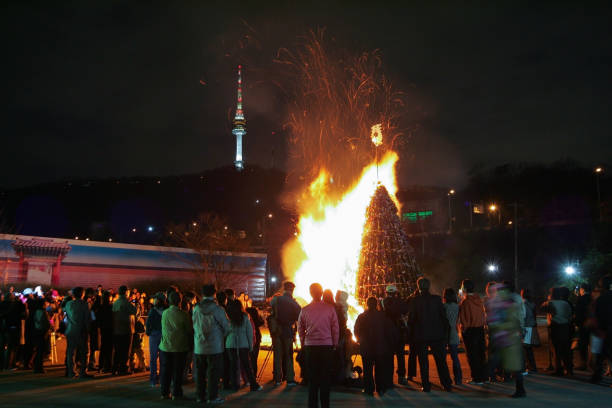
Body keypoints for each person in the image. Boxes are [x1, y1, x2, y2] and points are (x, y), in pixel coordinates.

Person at [407, 277, 453, 392]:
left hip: (421, 335)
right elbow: (443, 317)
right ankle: (446, 384)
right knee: (441, 361)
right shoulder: (437, 299)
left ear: (418, 287)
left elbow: (411, 319)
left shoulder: (415, 301)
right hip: (437, 335)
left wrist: (411, 334)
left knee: (423, 362)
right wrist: (445, 334)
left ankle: (426, 385)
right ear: (429, 286)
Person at [298, 283, 339, 408]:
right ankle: (325, 405)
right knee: (325, 378)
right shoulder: (330, 308)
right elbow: (335, 328)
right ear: (321, 293)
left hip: (311, 347)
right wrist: (335, 343)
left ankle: (313, 405)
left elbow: (300, 329)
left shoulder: (305, 310)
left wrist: (303, 342)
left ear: (310, 293)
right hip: (326, 346)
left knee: (313, 379)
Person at [487, 282, 526, 398]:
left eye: (500, 291)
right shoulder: (502, 304)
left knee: (513, 365)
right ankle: (518, 389)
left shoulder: (510, 304)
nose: (498, 294)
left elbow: (512, 322)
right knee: (506, 363)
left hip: (510, 340)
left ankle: (520, 390)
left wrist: (498, 326)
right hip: (505, 339)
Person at [192, 284, 230, 404]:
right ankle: (212, 397)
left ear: (202, 294)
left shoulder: (196, 308)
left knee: (200, 373)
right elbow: (227, 327)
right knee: (213, 373)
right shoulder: (218, 309)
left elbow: (193, 324)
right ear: (214, 294)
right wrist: (221, 336)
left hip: (199, 345)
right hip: (215, 346)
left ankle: (200, 396)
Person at [354, 296, 396, 396]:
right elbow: (390, 331)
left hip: (366, 348)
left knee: (367, 369)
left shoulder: (362, 316)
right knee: (380, 369)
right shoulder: (383, 316)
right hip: (380, 348)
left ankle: (369, 389)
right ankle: (380, 388)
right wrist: (390, 344)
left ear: (367, 304)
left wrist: (360, 341)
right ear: (376, 304)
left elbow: (356, 331)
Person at [159, 291, 192, 400]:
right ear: (180, 301)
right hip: (179, 347)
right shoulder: (184, 315)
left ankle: (164, 392)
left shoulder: (165, 313)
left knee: (165, 371)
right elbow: (189, 330)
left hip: (165, 346)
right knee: (177, 372)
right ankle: (176, 393)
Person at [225, 299, 262, 392]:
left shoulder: (228, 317)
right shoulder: (245, 317)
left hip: (231, 344)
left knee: (233, 366)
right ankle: (253, 385)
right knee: (247, 366)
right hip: (243, 344)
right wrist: (250, 345)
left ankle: (234, 385)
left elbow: (225, 331)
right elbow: (249, 332)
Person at [269, 281, 301, 386]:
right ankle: (290, 379)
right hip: (287, 331)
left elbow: (271, 310)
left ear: (284, 289)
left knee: (277, 355)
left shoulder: (276, 300)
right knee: (288, 355)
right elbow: (299, 316)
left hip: (276, 331)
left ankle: (277, 378)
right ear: (292, 290)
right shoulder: (293, 303)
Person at [458, 279, 487, 384]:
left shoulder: (465, 302)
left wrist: (462, 331)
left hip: (470, 331)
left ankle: (476, 378)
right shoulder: (478, 299)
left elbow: (464, 319)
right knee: (481, 354)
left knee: (472, 355)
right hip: (480, 329)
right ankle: (484, 377)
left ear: (464, 288)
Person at [381, 284, 409, 385]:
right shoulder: (400, 301)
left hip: (388, 333)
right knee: (400, 356)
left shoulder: (383, 302)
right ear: (395, 292)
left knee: (389, 356)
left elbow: (381, 315)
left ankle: (389, 378)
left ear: (387, 292)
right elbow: (405, 311)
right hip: (399, 332)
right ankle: (401, 377)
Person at [541, 287, 573, 376]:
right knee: (566, 348)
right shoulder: (565, 303)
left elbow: (541, 308)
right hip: (565, 326)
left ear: (551, 294)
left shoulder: (550, 303)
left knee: (556, 349)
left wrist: (548, 301)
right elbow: (569, 315)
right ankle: (569, 369)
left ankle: (558, 369)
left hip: (555, 326)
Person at [64, 286, 92, 378]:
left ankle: (71, 371)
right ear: (82, 294)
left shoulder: (68, 304)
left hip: (70, 330)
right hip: (81, 330)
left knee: (70, 352)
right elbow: (87, 318)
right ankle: (83, 371)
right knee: (84, 352)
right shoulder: (84, 304)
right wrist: (88, 329)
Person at [591, 275, 612, 384]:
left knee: (601, 354)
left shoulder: (600, 299)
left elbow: (596, 314)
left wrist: (597, 328)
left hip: (603, 329)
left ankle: (597, 376)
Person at [112, 285, 136, 375]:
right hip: (126, 329)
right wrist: (133, 303)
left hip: (117, 329)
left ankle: (115, 368)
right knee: (125, 351)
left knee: (117, 350)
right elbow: (134, 311)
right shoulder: (126, 302)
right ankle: (123, 369)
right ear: (126, 292)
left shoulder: (115, 302)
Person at [443, 288, 462, 385]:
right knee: (455, 358)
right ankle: (458, 379)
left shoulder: (444, 306)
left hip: (444, 334)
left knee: (443, 359)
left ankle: (446, 379)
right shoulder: (457, 307)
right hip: (454, 332)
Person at [146, 292, 165, 386]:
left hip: (154, 335)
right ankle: (161, 379)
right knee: (162, 358)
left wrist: (148, 332)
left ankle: (153, 379)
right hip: (163, 335)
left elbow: (148, 323)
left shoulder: (153, 311)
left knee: (153, 358)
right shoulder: (166, 311)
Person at [574, 283, 591, 370]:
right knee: (592, 345)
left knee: (583, 344)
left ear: (582, 289)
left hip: (583, 324)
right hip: (593, 324)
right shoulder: (592, 298)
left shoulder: (580, 299)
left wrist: (576, 323)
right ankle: (592, 364)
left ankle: (583, 363)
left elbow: (578, 312)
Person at [521, 288, 539, 373]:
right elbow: (534, 316)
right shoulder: (532, 304)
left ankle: (529, 367)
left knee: (525, 349)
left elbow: (523, 317)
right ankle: (532, 366)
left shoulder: (522, 304)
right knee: (528, 348)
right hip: (531, 326)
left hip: (526, 327)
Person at [31, 297, 50, 373]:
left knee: (38, 350)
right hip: (42, 331)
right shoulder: (43, 312)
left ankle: (36, 367)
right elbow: (46, 323)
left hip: (36, 331)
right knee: (41, 351)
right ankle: (39, 368)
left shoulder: (35, 311)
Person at [96, 291, 114, 373]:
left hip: (103, 329)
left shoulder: (100, 307)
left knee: (103, 348)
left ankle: (101, 366)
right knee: (110, 349)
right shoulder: (111, 307)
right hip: (110, 329)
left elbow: (98, 319)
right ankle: (108, 366)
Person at [245, 304, 264, 375]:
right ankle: (254, 374)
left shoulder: (248, 320)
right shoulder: (257, 321)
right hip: (257, 339)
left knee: (249, 358)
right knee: (254, 358)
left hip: (250, 339)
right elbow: (262, 322)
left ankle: (250, 374)